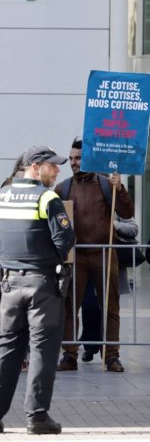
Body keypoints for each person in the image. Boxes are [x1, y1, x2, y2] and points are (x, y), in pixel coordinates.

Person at [0, 145, 75, 435]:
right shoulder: (47, 197)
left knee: (6, 348)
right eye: (52, 166)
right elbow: (65, 240)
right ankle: (36, 417)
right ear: (35, 167)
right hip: (42, 285)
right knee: (43, 352)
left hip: (10, 284)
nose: (58, 170)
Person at [55, 137, 132, 373]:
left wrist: (119, 189)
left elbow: (127, 212)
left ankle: (112, 355)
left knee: (111, 307)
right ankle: (69, 355)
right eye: (71, 159)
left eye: (78, 158)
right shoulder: (63, 187)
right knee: (70, 307)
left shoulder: (107, 184)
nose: (74, 162)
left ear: (89, 158)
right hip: (76, 256)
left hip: (104, 253)